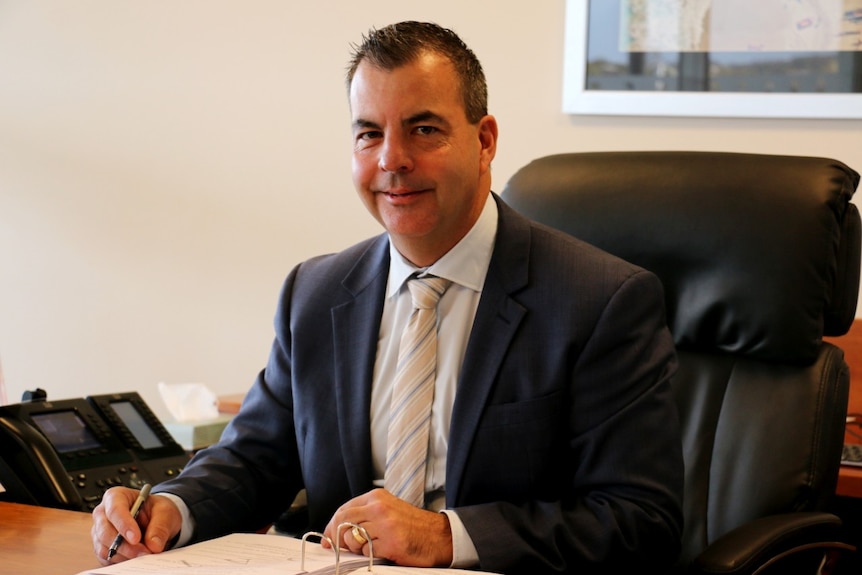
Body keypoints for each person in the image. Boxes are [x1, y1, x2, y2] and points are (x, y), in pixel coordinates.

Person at [91, 21, 684, 573]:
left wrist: (444, 536)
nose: (391, 161)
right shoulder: (315, 293)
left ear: (484, 141)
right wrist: (173, 507)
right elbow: (253, 459)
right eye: (369, 133)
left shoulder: (601, 300)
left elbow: (641, 521)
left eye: (423, 130)